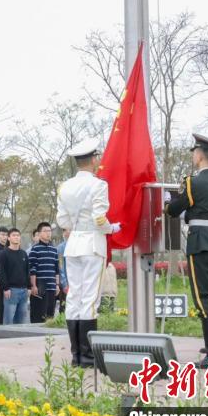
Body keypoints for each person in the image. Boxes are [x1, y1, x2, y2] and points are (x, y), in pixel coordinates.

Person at [165, 134, 208, 368]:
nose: (193, 156)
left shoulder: (193, 182)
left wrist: (167, 203)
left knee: (204, 298)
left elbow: (174, 209)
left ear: (201, 154)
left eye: (194, 152)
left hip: (201, 243)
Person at [56, 138, 120, 367]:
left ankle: (76, 355)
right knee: (90, 299)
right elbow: (99, 218)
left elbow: (62, 220)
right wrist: (111, 228)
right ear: (93, 160)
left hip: (73, 244)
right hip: (92, 244)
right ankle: (88, 356)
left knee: (74, 297)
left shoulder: (65, 186)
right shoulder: (98, 185)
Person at [28, 222, 60, 322]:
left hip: (52, 287)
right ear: (39, 233)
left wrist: (57, 285)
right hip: (40, 288)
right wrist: (33, 286)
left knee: (50, 316)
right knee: (39, 316)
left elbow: (56, 269)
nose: (48, 233)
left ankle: (48, 337)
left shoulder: (54, 250)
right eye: (45, 231)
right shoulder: (35, 249)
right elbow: (32, 269)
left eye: (49, 231)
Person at [0, 228, 30, 325]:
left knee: (21, 319)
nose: (16, 237)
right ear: (9, 238)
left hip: (23, 291)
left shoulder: (23, 253)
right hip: (11, 291)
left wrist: (28, 287)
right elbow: (1, 272)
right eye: (14, 235)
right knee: (8, 318)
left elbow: (27, 271)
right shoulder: (4, 254)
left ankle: (18, 339)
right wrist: (5, 288)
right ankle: (7, 339)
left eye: (18, 235)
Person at [56, 228, 70, 314]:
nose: (68, 232)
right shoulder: (61, 247)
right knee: (64, 308)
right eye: (65, 230)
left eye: (69, 229)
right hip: (67, 285)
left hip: (78, 284)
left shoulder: (78, 246)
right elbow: (61, 267)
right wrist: (64, 284)